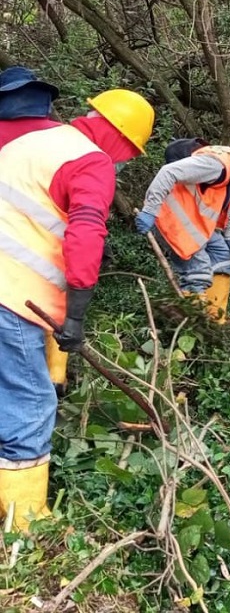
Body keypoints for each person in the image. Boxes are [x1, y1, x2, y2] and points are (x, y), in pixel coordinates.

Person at [0, 88, 155, 531]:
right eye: (131, 154)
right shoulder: (92, 160)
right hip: (11, 296)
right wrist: (77, 315)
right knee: (29, 403)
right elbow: (86, 235)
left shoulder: (34, 141)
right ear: (123, 141)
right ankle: (26, 524)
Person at [135, 126, 230, 321]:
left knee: (224, 256)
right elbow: (168, 172)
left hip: (197, 225)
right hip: (169, 218)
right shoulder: (216, 164)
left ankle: (215, 317)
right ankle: (193, 324)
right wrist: (150, 209)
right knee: (198, 271)